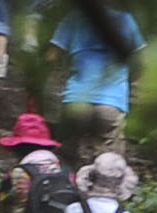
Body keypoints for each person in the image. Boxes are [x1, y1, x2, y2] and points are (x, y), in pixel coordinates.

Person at [52, 3, 137, 166]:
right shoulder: (126, 20)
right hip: (112, 101)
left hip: (77, 99)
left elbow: (51, 56)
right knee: (109, 161)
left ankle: (65, 185)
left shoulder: (73, 18)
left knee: (66, 153)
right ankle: (103, 189)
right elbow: (139, 57)